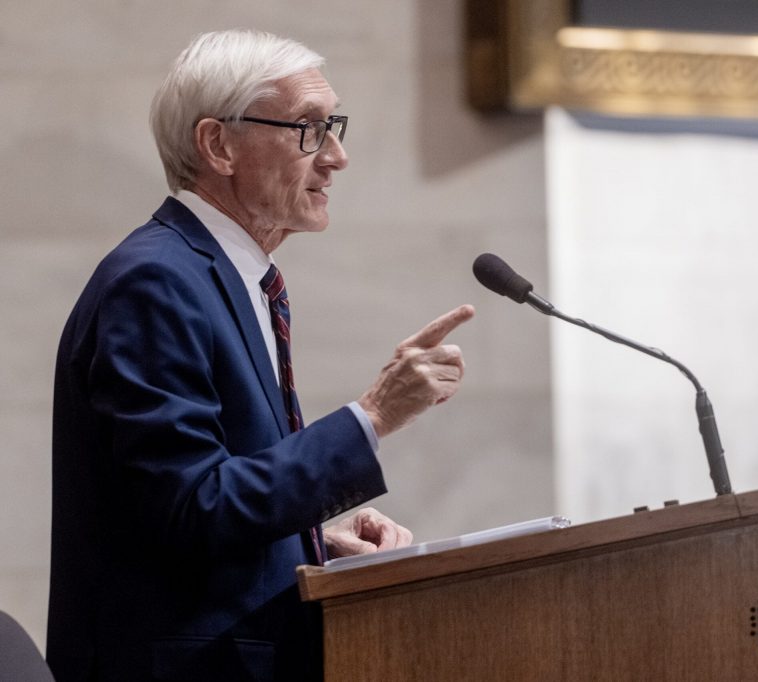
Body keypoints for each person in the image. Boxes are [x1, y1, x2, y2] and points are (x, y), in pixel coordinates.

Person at [46, 29, 474, 682]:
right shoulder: (156, 281)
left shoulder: (226, 275)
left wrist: (312, 546)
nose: (337, 156)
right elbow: (194, 508)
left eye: (334, 126)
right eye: (309, 128)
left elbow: (192, 507)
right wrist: (374, 415)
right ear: (219, 145)